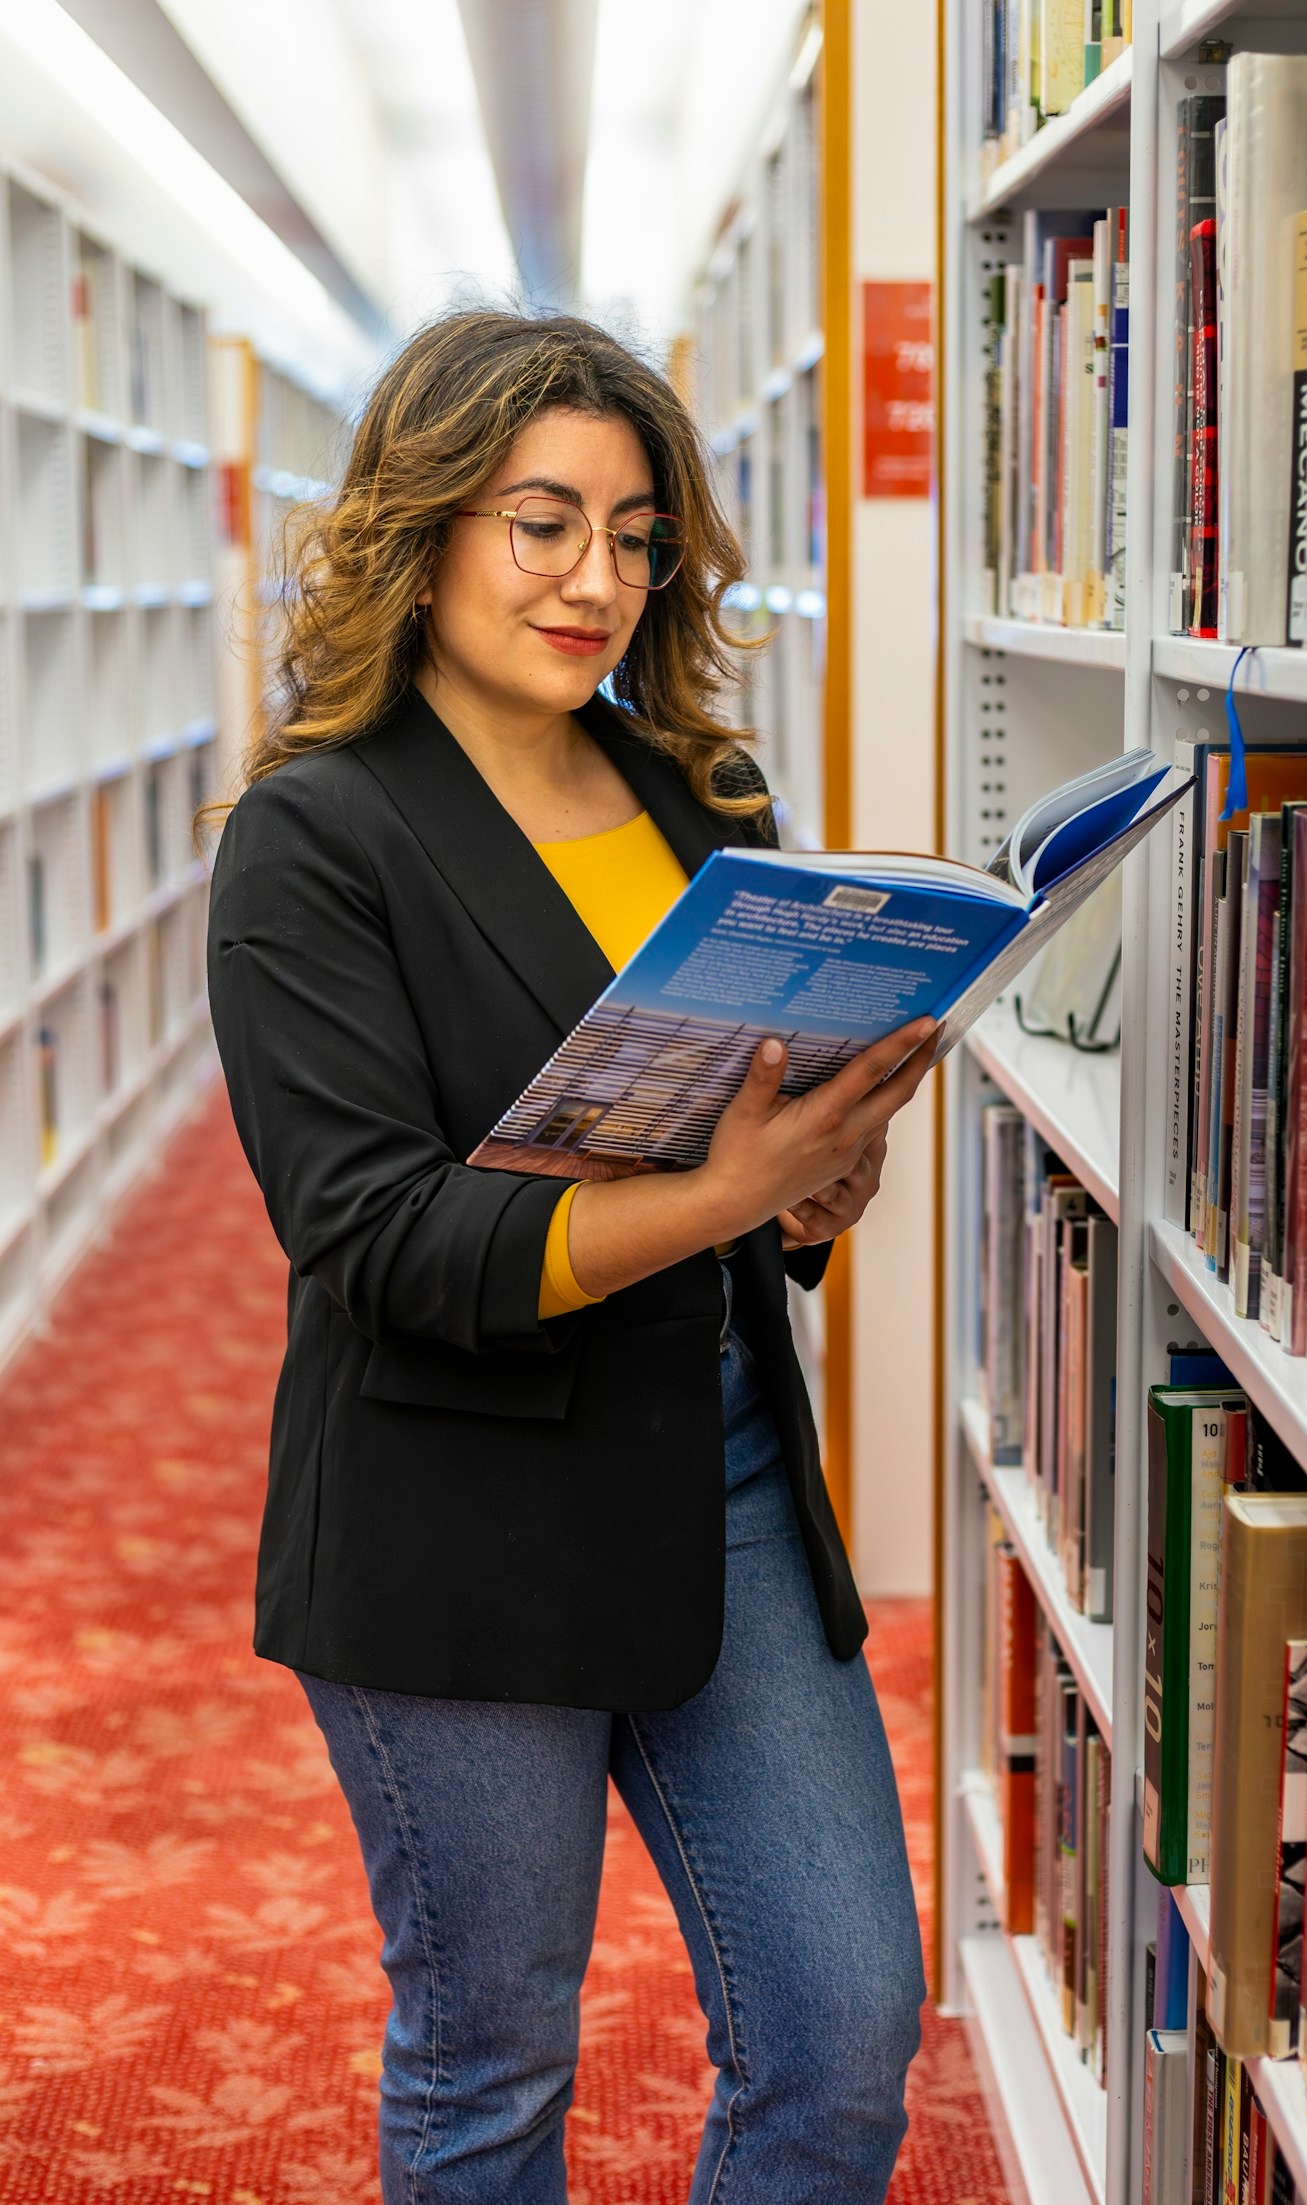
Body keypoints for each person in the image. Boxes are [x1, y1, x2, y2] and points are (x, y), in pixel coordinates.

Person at [206, 307, 937, 2205]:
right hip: (455, 1510)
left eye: (633, 534)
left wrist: (807, 1191)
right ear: (424, 525)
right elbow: (377, 1236)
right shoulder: (315, 837)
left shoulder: (709, 805)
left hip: (725, 1468)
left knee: (847, 2027)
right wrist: (720, 1192)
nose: (594, 579)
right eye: (541, 524)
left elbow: (741, 1182)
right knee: (492, 2061)